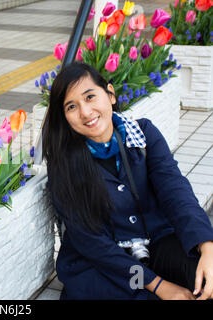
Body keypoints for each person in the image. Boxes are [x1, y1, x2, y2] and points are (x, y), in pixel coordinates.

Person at [42, 62, 213, 300]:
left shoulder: (143, 133)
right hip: (104, 265)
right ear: (65, 117)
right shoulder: (64, 164)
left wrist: (206, 246)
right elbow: (93, 244)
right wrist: (161, 286)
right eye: (72, 106)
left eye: (90, 97)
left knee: (206, 277)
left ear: (110, 94)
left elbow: (175, 190)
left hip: (154, 244)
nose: (85, 112)